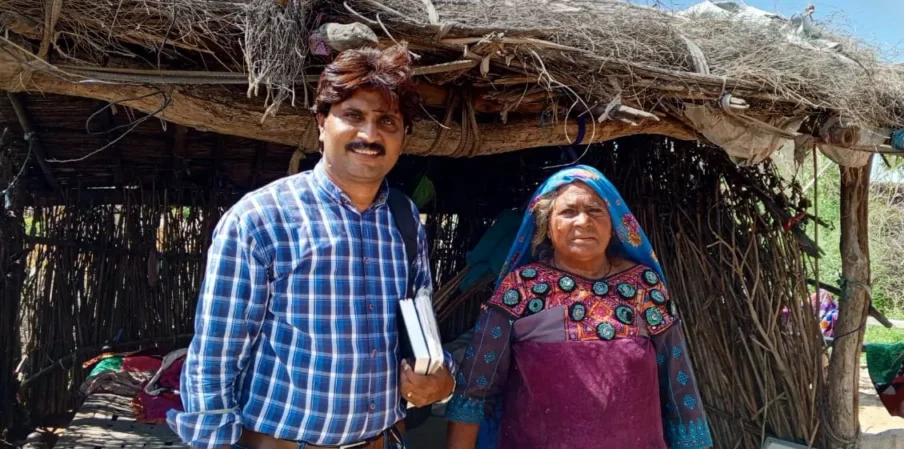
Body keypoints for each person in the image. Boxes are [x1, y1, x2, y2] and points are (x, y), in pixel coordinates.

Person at [168, 44, 456, 449]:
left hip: (382, 440)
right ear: (322, 123)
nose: (369, 135)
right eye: (353, 116)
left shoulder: (404, 219)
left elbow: (421, 330)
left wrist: (443, 378)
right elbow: (217, 351)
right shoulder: (262, 218)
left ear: (404, 135)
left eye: (387, 121)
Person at [443, 166, 713, 449]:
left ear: (614, 224)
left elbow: (679, 384)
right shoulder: (522, 287)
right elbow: (476, 387)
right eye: (568, 212)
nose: (583, 221)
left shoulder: (644, 286)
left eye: (596, 211)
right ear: (547, 226)